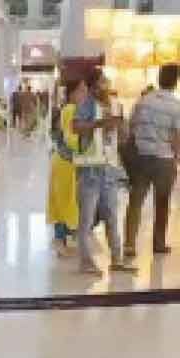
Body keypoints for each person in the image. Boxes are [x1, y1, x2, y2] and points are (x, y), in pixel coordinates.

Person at [71, 70, 135, 275]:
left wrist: (121, 128)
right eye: (101, 83)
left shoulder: (115, 105)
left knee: (112, 217)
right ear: (92, 87)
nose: (105, 86)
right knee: (86, 220)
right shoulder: (86, 105)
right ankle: (86, 263)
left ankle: (117, 260)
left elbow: (123, 136)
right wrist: (99, 124)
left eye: (105, 82)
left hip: (110, 170)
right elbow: (76, 127)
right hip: (89, 171)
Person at [124, 63, 180, 258]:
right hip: (164, 159)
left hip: (141, 156)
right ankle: (158, 243)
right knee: (162, 202)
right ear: (176, 81)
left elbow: (131, 127)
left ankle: (129, 244)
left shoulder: (143, 101)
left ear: (159, 78)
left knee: (136, 200)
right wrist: (177, 158)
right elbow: (177, 137)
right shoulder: (176, 105)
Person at [48, 78, 82, 259]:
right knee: (64, 202)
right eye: (81, 90)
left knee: (65, 201)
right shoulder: (70, 109)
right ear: (72, 93)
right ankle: (60, 240)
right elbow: (70, 137)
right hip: (66, 163)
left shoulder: (68, 109)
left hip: (65, 161)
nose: (84, 94)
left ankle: (62, 239)